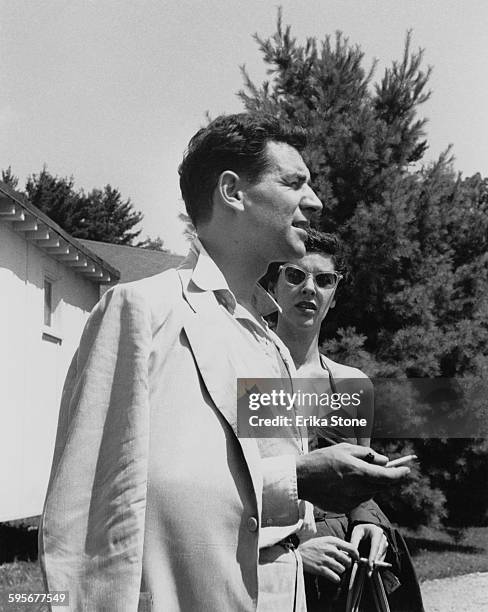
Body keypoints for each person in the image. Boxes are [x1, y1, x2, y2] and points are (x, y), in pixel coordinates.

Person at [39, 113, 409, 612]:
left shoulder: (269, 339)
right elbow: (90, 506)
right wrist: (299, 476)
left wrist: (300, 545)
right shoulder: (143, 310)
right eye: (294, 182)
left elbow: (243, 486)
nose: (315, 202)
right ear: (232, 192)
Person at [266, 229, 424, 611]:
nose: (309, 289)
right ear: (271, 284)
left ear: (333, 296)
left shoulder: (353, 383)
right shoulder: (247, 374)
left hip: (343, 567)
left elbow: (358, 484)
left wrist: (368, 522)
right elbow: (234, 486)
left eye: (324, 280)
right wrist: (293, 554)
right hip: (274, 556)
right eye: (295, 275)